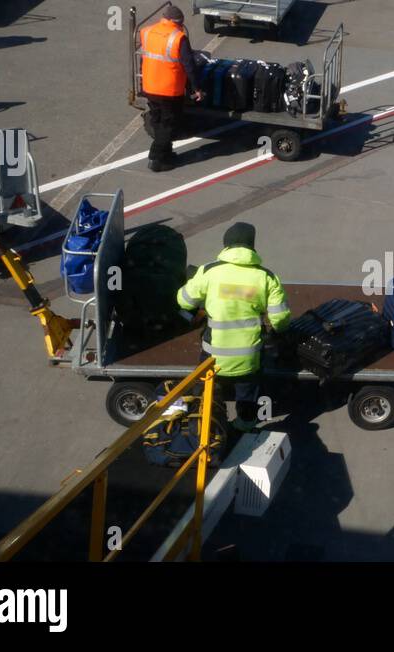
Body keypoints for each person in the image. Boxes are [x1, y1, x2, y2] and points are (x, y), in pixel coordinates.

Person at [177, 223, 292, 432]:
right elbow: (280, 320)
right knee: (247, 394)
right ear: (252, 246)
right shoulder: (267, 277)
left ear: (226, 244)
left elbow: (184, 302)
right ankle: (244, 426)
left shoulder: (209, 271)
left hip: (213, 356)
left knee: (206, 390)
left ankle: (207, 425)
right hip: (248, 358)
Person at [139, 6, 205, 172]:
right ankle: (155, 158)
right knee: (170, 125)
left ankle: (166, 154)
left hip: (150, 85)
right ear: (179, 22)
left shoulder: (147, 31)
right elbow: (189, 65)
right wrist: (196, 88)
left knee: (157, 120)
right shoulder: (178, 37)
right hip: (169, 89)